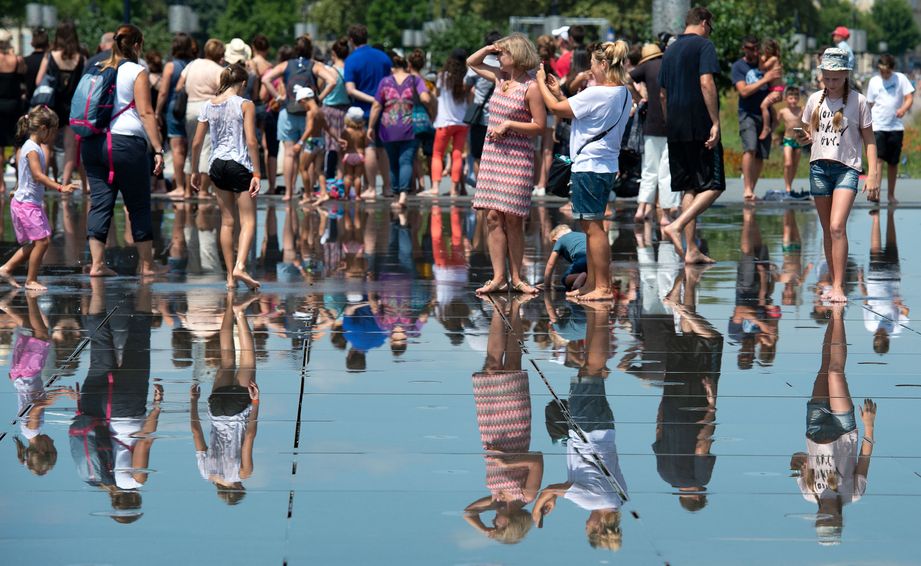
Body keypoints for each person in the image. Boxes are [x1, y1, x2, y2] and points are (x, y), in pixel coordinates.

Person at [538, 41, 632, 302]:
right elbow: (580, 114)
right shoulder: (623, 93)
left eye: (592, 64)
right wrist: (559, 93)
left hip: (590, 167)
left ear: (604, 64)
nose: (590, 69)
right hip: (604, 166)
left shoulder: (597, 93)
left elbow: (557, 111)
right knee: (593, 226)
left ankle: (601, 286)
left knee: (594, 229)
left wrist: (541, 84)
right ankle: (592, 282)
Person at [82, 24, 167, 278]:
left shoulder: (97, 67)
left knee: (100, 204)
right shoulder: (136, 71)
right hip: (126, 144)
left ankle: (97, 265)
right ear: (138, 45)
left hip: (93, 144)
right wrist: (158, 149)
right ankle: (147, 266)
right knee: (138, 204)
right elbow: (146, 112)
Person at [798, 47, 879, 304]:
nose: (831, 83)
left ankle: (839, 285)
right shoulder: (814, 100)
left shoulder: (859, 102)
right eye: (827, 78)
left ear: (846, 74)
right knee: (826, 229)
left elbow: (869, 140)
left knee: (836, 226)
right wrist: (804, 136)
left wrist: (874, 174)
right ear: (821, 74)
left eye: (836, 78)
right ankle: (832, 282)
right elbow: (809, 132)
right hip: (819, 167)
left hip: (847, 169)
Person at [467, 33, 546, 295]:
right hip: (493, 156)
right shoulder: (500, 78)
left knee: (513, 219)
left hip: (516, 158)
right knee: (491, 217)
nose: (498, 57)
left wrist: (510, 125)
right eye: (499, 54)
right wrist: (491, 46)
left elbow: (539, 126)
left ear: (518, 56)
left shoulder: (531, 87)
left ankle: (517, 277)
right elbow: (472, 62)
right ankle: (498, 277)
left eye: (503, 53)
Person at [790, 305, 875, 546]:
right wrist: (869, 426)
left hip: (815, 427)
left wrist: (799, 464)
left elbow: (797, 458)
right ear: (840, 519)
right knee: (836, 373)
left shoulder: (808, 494)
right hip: (843, 429)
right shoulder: (853, 494)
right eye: (831, 520)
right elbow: (865, 459)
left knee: (825, 364)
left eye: (821, 520)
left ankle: (832, 316)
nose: (826, 516)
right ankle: (838, 313)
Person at [658, 6, 724, 264]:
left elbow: (662, 93)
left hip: (676, 126)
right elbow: (706, 82)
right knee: (715, 185)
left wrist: (669, 121)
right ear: (705, 22)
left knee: (690, 187)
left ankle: (692, 250)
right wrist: (716, 121)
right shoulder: (703, 46)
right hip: (700, 124)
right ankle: (677, 226)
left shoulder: (670, 49)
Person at [190, 63, 262, 291]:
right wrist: (258, 173)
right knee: (248, 221)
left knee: (227, 222)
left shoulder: (209, 105)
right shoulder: (245, 104)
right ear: (242, 84)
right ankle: (240, 265)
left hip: (216, 166)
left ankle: (230, 278)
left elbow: (196, 142)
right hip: (239, 164)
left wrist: (194, 170)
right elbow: (251, 141)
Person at [190, 297, 260, 506]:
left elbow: (249, 436)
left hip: (237, 411)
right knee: (226, 358)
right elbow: (195, 431)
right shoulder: (206, 473)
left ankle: (239, 313)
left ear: (238, 488)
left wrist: (255, 403)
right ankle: (229, 305)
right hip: (216, 408)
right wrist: (193, 401)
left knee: (248, 358)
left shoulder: (242, 473)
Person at [0, 107, 76, 289]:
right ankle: (30, 280)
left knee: (37, 241)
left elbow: (24, 173)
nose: (54, 136)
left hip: (28, 202)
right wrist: (60, 186)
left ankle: (6, 269)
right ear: (43, 128)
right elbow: (37, 175)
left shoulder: (32, 147)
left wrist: (18, 188)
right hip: (26, 204)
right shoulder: (32, 149)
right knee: (42, 241)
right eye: (53, 132)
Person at [261, 35, 336, 202]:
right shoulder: (314, 65)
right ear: (310, 50)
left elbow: (265, 79)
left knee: (289, 154)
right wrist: (318, 99)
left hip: (288, 112)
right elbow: (332, 80)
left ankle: (288, 192)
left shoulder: (286, 65)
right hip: (307, 115)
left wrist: (279, 98)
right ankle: (307, 192)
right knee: (307, 155)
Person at [367, 53, 432, 209]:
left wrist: (370, 127)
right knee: (406, 161)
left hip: (388, 127)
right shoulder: (415, 80)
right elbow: (426, 99)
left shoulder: (385, 82)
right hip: (410, 126)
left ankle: (396, 196)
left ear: (392, 68)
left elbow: (376, 106)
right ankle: (403, 195)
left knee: (393, 162)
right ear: (406, 66)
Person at [630, 42, 680, 225]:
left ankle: (641, 208)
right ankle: (666, 214)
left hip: (651, 124)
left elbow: (626, 78)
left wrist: (637, 98)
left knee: (649, 169)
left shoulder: (645, 67)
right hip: (671, 124)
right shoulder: (670, 65)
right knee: (667, 172)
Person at [343, 24, 393, 199]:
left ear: (351, 40)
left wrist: (371, 99)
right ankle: (387, 187)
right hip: (385, 109)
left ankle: (371, 187)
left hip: (363, 112)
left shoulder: (351, 60)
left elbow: (350, 89)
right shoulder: (383, 57)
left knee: (370, 147)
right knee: (383, 148)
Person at [731, 36, 782, 201]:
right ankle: (746, 188)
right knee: (750, 148)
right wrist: (765, 79)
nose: (752, 51)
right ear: (743, 48)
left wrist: (777, 92)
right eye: (748, 48)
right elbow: (744, 91)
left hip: (765, 112)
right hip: (747, 112)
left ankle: (751, 190)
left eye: (754, 48)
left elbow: (777, 84)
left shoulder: (764, 62)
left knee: (761, 154)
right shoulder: (739, 66)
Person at [35, 22, 84, 187]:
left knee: (47, 143)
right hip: (72, 107)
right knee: (70, 146)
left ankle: (43, 180)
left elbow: (38, 81)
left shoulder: (50, 56)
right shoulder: (81, 58)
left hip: (52, 105)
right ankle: (65, 181)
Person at [176, 38, 224, 199]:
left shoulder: (192, 64)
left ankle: (188, 190)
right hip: (209, 107)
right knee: (206, 149)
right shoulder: (218, 70)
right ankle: (203, 190)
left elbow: (179, 86)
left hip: (190, 107)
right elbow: (222, 90)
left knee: (192, 148)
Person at [867, 53, 914, 205]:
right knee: (879, 159)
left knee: (893, 162)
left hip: (895, 126)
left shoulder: (900, 78)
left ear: (892, 69)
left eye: (887, 71)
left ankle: (891, 195)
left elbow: (909, 97)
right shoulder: (874, 81)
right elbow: (870, 103)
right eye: (881, 71)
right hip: (878, 124)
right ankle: (876, 193)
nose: (884, 74)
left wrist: (903, 109)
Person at [859, 209, 908, 354]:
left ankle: (876, 219)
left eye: (877, 335)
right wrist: (900, 305)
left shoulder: (869, 325)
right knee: (892, 244)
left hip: (874, 280)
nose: (879, 332)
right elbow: (906, 312)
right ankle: (890, 216)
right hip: (892, 279)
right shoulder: (896, 328)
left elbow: (866, 302)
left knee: (874, 249)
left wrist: (861, 281)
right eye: (882, 335)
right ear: (888, 339)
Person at [155, 33, 195, 199]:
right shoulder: (194, 65)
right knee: (192, 149)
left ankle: (179, 186)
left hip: (175, 109)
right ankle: (191, 187)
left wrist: (157, 111)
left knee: (177, 149)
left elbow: (163, 92)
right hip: (192, 108)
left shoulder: (171, 66)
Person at [465, 31, 503, 186]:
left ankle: (481, 187)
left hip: (479, 115)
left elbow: (466, 84)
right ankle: (495, 187)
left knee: (478, 154)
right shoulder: (503, 65)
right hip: (499, 118)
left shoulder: (480, 64)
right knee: (497, 156)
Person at [429, 48, 469, 197]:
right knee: (457, 155)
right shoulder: (466, 78)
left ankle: (435, 187)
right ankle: (453, 190)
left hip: (444, 121)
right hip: (462, 122)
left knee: (438, 154)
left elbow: (436, 96)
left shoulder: (442, 77)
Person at [292, 86, 335, 205]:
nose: (302, 106)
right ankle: (324, 193)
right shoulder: (320, 110)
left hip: (312, 142)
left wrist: (300, 143)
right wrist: (338, 139)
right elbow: (327, 127)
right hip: (321, 141)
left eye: (301, 103)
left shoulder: (310, 112)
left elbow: (309, 128)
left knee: (303, 168)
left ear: (304, 100)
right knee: (318, 170)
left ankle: (308, 195)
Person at [321, 37, 351, 180]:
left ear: (333, 53)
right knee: (343, 147)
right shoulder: (350, 71)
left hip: (329, 110)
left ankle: (329, 178)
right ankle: (341, 179)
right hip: (346, 111)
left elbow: (320, 86)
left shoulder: (328, 70)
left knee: (330, 145)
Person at [0, 29, 24, 174]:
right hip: (14, 105)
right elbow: (23, 78)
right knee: (17, 145)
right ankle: (19, 181)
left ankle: (0, 184)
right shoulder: (16, 59)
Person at [776, 86, 808, 197]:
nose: (793, 101)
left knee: (794, 164)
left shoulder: (801, 110)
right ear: (786, 98)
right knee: (788, 163)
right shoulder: (783, 111)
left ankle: (790, 184)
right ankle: (787, 187)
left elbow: (807, 122)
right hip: (788, 140)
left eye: (795, 98)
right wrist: (773, 135)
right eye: (790, 98)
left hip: (798, 140)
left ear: (798, 98)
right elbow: (775, 124)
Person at [543, 224, 588, 292]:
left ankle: (582, 276)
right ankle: (587, 279)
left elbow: (550, 264)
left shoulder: (560, 240)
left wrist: (546, 285)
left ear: (555, 239)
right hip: (595, 257)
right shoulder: (581, 234)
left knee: (565, 279)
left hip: (581, 257)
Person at [758, 39, 785, 141]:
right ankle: (776, 121)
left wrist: (759, 58)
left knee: (763, 106)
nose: (765, 51)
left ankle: (766, 127)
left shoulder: (773, 59)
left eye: (766, 49)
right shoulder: (772, 58)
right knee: (769, 105)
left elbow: (762, 67)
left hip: (776, 90)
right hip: (775, 89)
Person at [341, 106, 367, 198]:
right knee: (357, 177)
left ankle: (346, 195)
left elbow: (342, 144)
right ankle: (358, 196)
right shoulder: (363, 132)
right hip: (359, 155)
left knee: (348, 176)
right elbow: (366, 144)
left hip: (348, 155)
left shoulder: (346, 131)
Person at [23, 27, 47, 101]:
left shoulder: (25, 61)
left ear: (32, 43)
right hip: (47, 101)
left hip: (29, 100)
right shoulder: (50, 61)